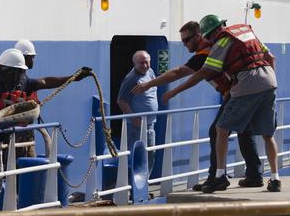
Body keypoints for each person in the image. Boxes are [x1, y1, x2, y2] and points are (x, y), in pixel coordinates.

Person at [134, 21, 265, 190]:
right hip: (242, 90)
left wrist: (150, 84)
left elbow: (179, 72)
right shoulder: (210, 49)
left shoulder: (205, 54)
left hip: (235, 93)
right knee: (244, 131)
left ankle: (217, 177)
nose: (184, 44)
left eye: (187, 40)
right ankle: (254, 175)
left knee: (216, 131)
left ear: (198, 36)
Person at [163, 14, 281, 193]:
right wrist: (268, 81)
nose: (209, 40)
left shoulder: (222, 42)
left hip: (247, 84)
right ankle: (275, 178)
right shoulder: (245, 32)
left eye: (208, 36)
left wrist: (174, 91)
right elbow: (271, 57)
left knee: (221, 129)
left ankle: (219, 177)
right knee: (267, 134)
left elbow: (205, 71)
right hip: (270, 81)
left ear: (211, 33)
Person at [0, 49, 78, 216]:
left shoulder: (20, 82)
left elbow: (45, 82)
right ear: (7, 71)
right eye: (19, 72)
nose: (22, 75)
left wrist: (73, 78)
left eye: (22, 72)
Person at [116, 50, 157, 148]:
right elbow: (121, 101)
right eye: (141, 63)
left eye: (147, 62)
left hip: (150, 125)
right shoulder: (131, 79)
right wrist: (135, 119)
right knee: (137, 155)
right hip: (136, 128)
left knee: (150, 154)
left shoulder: (150, 72)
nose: (145, 65)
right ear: (135, 64)